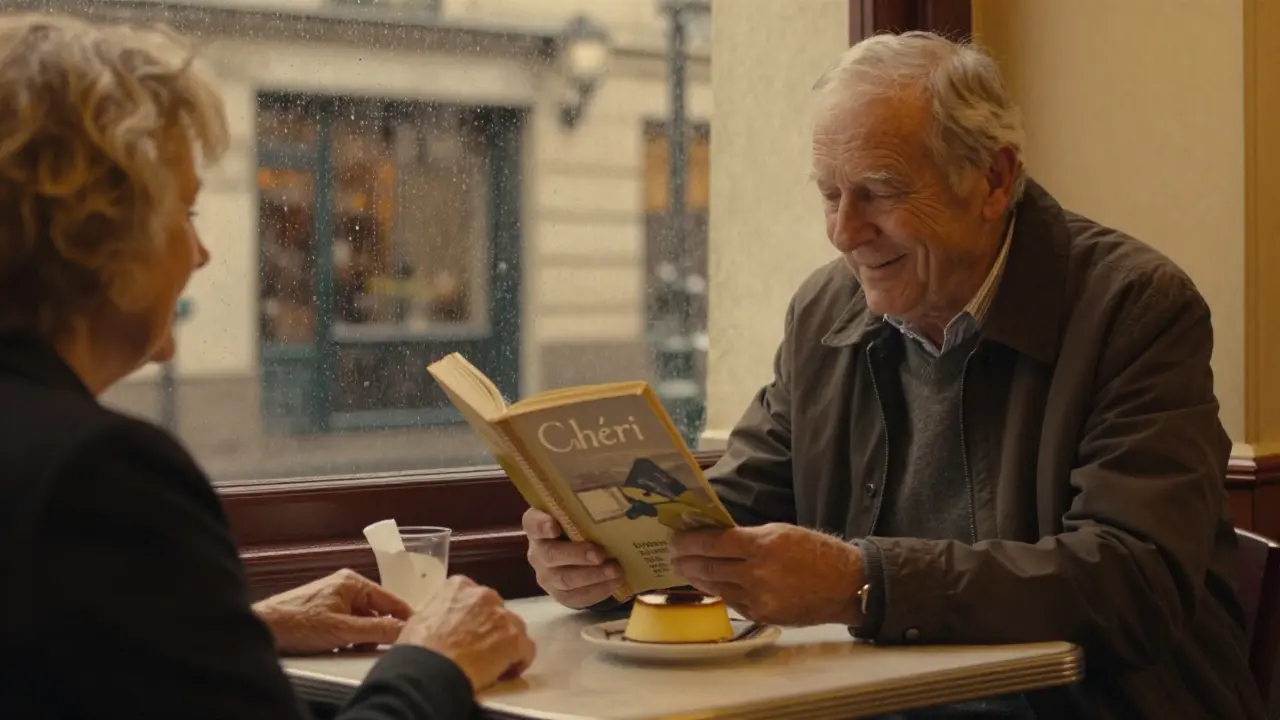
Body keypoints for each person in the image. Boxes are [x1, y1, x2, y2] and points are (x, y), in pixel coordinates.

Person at [524, 31, 1267, 719]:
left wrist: (863, 582)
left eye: (878, 191)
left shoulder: (1134, 306)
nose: (844, 232)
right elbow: (739, 511)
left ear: (993, 178)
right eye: (828, 193)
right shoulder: (825, 310)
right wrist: (609, 558)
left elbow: (1132, 582)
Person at [0, 14, 534, 719]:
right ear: (103, 232)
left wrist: (237, 629)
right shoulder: (97, 475)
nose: (200, 255)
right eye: (185, 212)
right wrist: (435, 663)